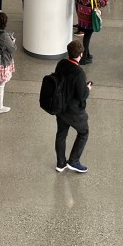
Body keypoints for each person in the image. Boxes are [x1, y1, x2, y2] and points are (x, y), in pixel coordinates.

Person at [53, 39, 92, 174]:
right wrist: (87, 88)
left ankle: (60, 163)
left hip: (60, 107)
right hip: (73, 111)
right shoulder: (79, 72)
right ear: (80, 55)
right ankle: (74, 161)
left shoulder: (61, 64)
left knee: (61, 134)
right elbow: (82, 95)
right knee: (83, 132)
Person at [74, 0, 108, 65]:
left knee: (86, 37)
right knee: (86, 39)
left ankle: (87, 55)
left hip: (81, 18)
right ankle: (83, 58)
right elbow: (104, 3)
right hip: (89, 21)